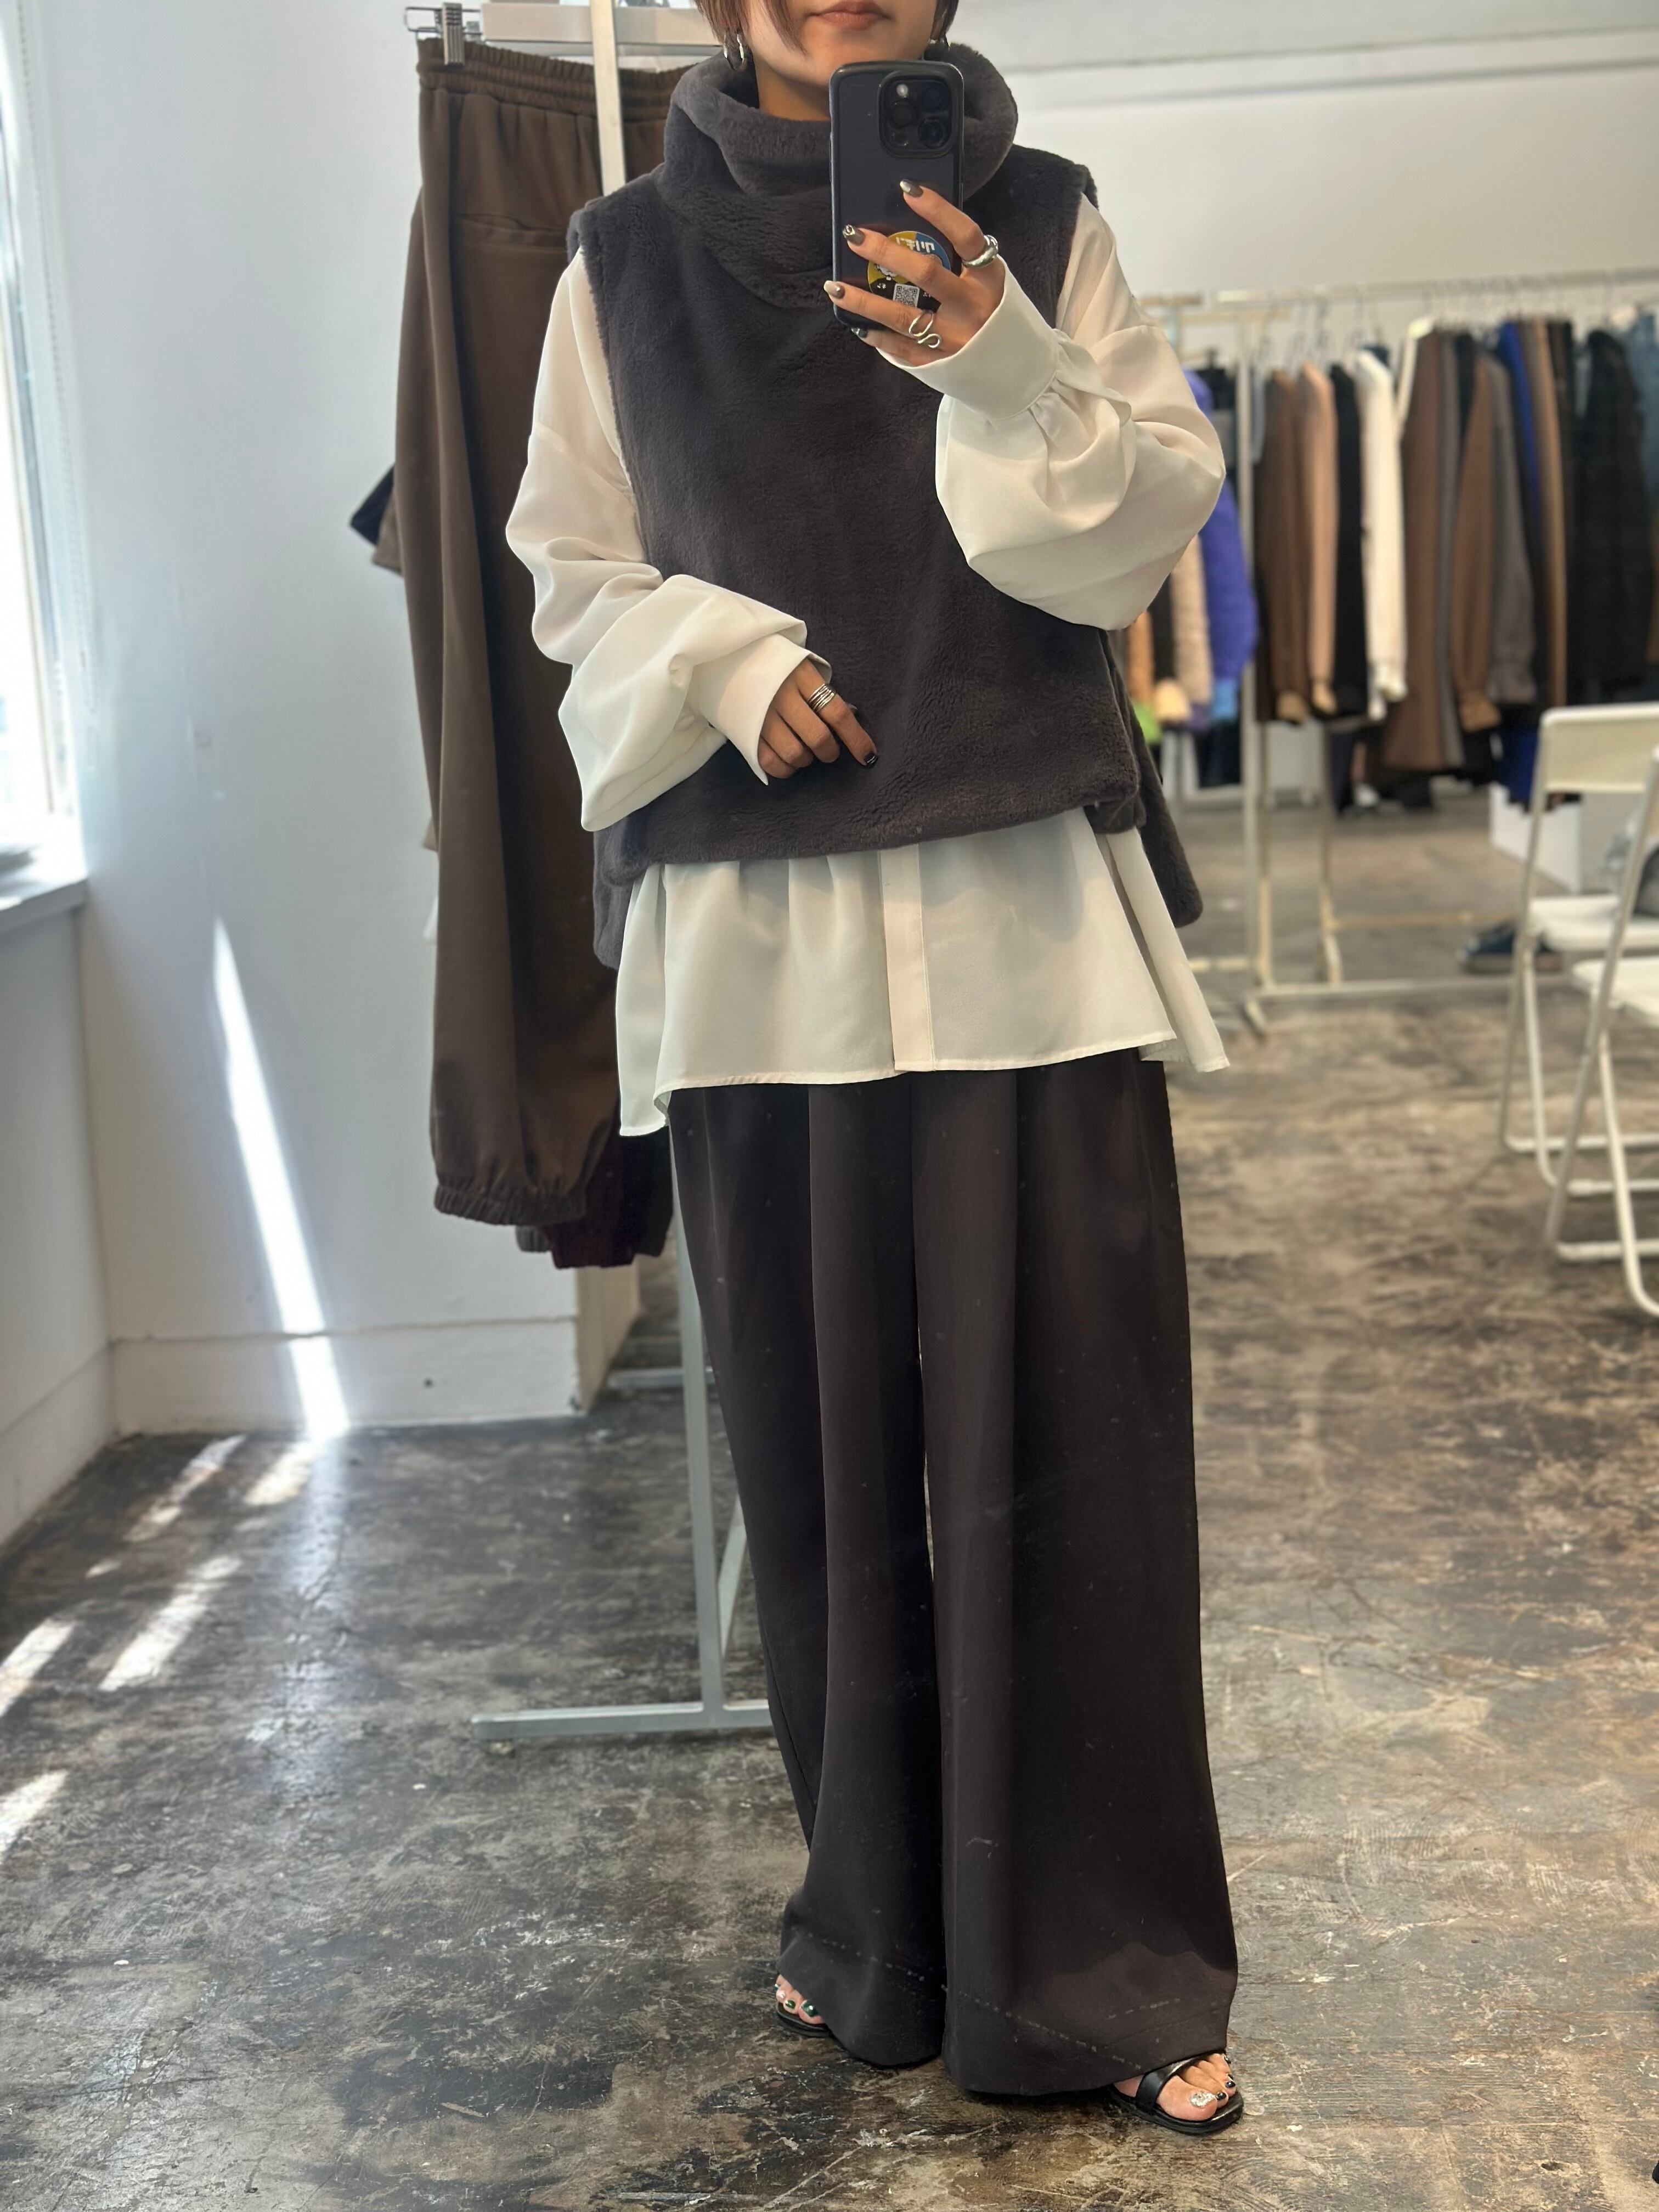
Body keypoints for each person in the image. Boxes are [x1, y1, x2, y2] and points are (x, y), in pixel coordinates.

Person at [506, 0, 1243, 2140]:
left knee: (1084, 1462)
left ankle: (1108, 1968)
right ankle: (878, 1935)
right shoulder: (623, 261)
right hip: (761, 942)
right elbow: (571, 571)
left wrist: (1002, 358)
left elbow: (1137, 534)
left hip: (1026, 921)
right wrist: (724, 660)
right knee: (823, 1473)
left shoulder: (1047, 218)